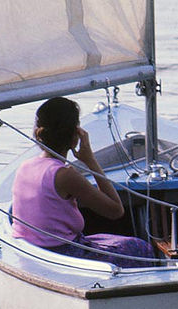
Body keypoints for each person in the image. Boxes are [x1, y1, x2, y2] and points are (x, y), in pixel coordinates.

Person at [12, 97, 153, 267]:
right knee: (140, 248)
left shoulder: (24, 167)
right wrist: (90, 160)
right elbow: (116, 210)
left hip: (32, 251)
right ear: (74, 137)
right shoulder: (65, 175)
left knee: (106, 239)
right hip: (62, 254)